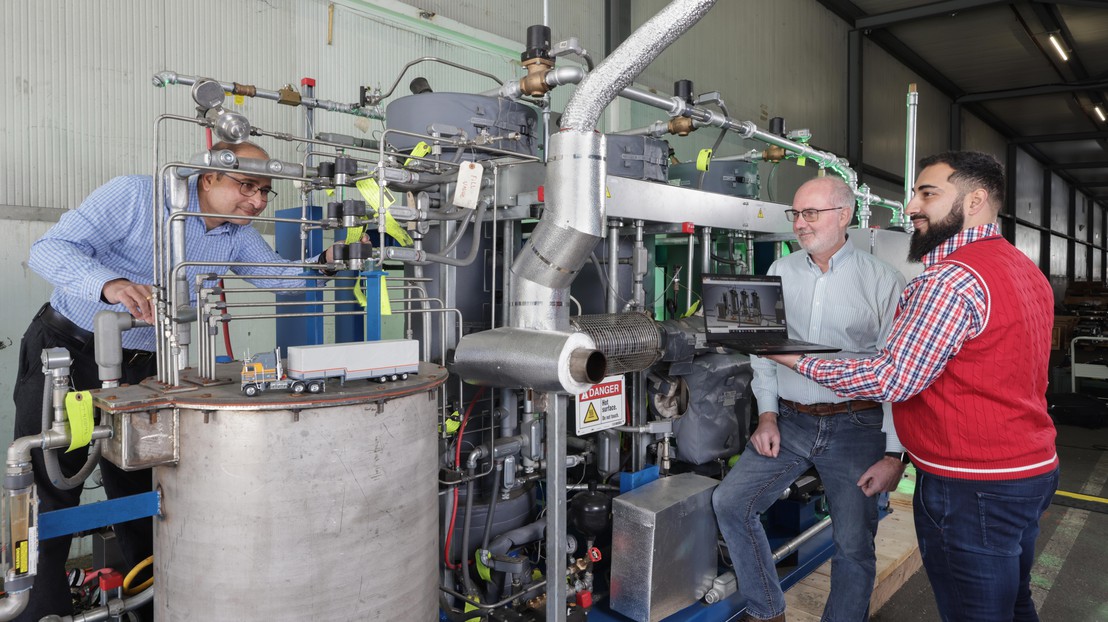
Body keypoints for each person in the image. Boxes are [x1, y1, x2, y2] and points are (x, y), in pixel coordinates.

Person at [13, 141, 346, 621]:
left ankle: (146, 605)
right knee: (51, 486)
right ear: (208, 178)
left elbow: (279, 277)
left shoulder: (234, 232)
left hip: (146, 366)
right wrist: (108, 284)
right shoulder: (133, 197)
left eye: (265, 192)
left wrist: (330, 261)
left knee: (140, 484)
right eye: (246, 186)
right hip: (68, 355)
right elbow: (49, 249)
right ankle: (41, 612)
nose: (255, 202)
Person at [765, 151, 1059, 622]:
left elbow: (891, 377)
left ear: (976, 200)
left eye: (928, 193)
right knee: (1015, 603)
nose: (910, 206)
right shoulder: (1023, 269)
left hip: (971, 486)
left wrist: (794, 359)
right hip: (1029, 470)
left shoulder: (950, 280)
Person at [712, 176, 908, 622]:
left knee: (854, 546)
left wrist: (896, 453)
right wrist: (766, 417)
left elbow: (897, 374)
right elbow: (764, 350)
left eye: (810, 213)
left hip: (857, 427)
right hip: (791, 421)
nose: (800, 223)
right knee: (731, 502)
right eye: (795, 214)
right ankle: (767, 611)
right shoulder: (780, 271)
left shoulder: (883, 281)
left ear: (845, 215)